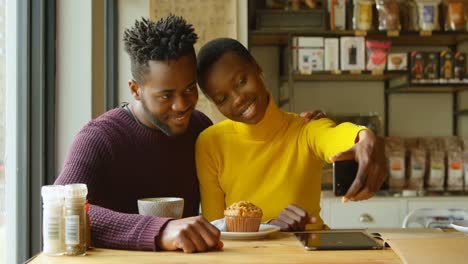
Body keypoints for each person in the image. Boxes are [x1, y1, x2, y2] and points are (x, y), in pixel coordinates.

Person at [54, 15, 221, 253]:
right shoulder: (99, 138)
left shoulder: (200, 128)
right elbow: (61, 209)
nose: (181, 104)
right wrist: (160, 230)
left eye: (189, 89)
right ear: (135, 90)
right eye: (166, 95)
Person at [195, 38, 387, 232]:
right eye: (222, 99)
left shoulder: (305, 129)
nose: (238, 99)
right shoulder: (210, 143)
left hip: (310, 256)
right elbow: (216, 229)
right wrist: (268, 228)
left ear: (256, 67)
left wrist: (364, 136)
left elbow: (333, 136)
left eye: (241, 81)